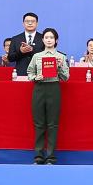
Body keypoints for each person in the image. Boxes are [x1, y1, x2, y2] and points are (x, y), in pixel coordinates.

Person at [27, 28, 69, 165]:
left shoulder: (61, 57)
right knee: (39, 124)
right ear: (43, 40)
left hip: (54, 88)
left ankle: (51, 157)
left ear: (56, 40)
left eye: (52, 37)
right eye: (46, 37)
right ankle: (38, 156)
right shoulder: (36, 56)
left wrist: (60, 67)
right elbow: (29, 73)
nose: (49, 40)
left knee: (52, 124)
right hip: (39, 88)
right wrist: (36, 77)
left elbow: (66, 77)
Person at [7, 12, 44, 76]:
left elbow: (46, 55)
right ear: (23, 23)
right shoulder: (15, 39)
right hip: (21, 73)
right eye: (27, 21)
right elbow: (10, 58)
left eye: (33, 21)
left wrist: (32, 50)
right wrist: (20, 51)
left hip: (39, 73)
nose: (30, 23)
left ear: (37, 23)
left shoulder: (43, 38)